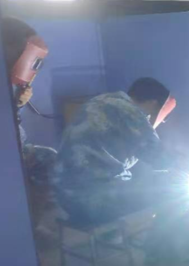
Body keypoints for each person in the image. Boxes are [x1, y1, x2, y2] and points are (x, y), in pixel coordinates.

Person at [53, 77, 178, 225]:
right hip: (94, 199)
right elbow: (160, 159)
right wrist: (188, 165)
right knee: (169, 190)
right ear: (153, 103)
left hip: (65, 196)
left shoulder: (100, 101)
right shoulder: (131, 113)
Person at [0, 17, 59, 224]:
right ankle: (28, 224)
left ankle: (34, 221)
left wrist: (18, 103)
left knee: (50, 159)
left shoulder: (6, 81)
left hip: (16, 147)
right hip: (1, 154)